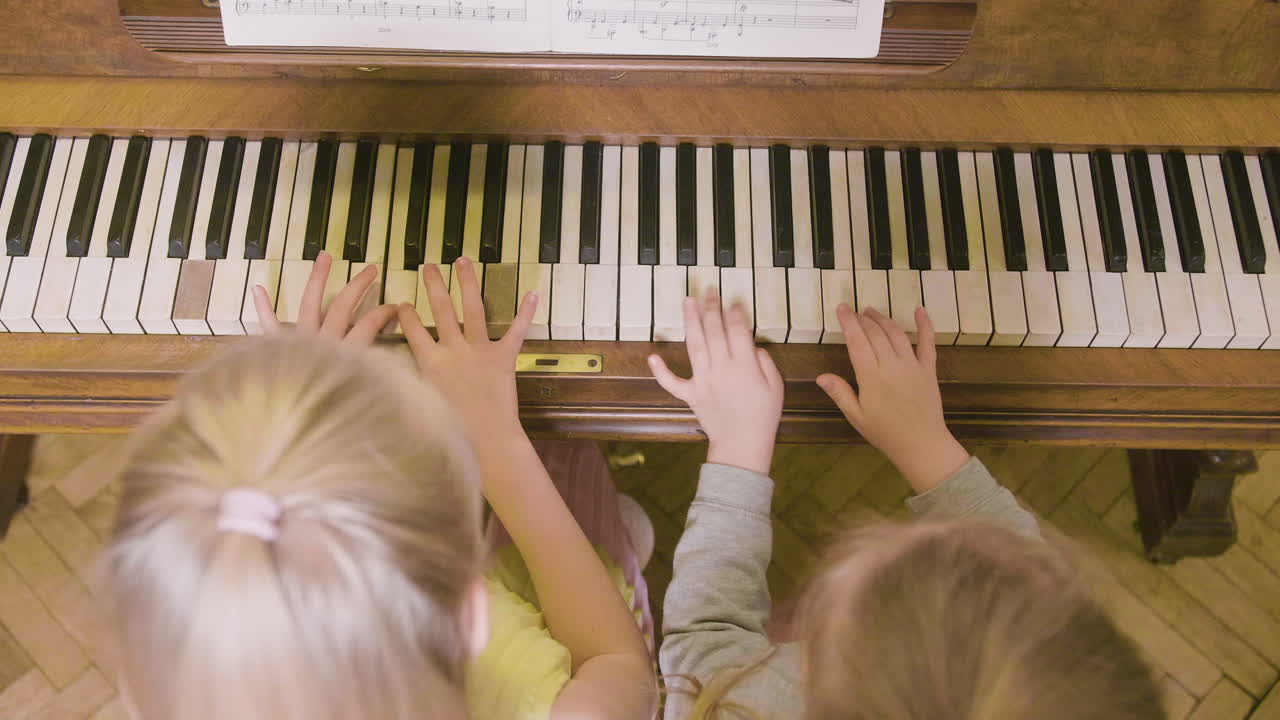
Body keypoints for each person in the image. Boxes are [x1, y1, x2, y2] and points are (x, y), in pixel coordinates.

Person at [98, 253, 656, 720]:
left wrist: (310, 396)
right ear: (471, 615)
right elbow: (620, 666)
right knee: (579, 495)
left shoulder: (192, 692)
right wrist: (497, 442)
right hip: (578, 637)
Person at [649, 297, 1163, 720]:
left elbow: (706, 633)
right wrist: (925, 444)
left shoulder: (752, 705)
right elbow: (1023, 575)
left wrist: (738, 445)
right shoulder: (1061, 677)